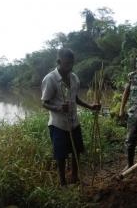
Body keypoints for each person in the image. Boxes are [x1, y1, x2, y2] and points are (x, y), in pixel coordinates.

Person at [41, 48, 100, 189]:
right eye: (67, 63)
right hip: (58, 124)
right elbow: (44, 102)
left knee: (76, 151)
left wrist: (90, 106)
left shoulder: (74, 78)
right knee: (61, 155)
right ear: (58, 62)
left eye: (72, 63)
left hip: (74, 122)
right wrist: (59, 108)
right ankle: (62, 182)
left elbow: (76, 98)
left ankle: (75, 177)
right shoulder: (50, 79)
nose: (70, 66)